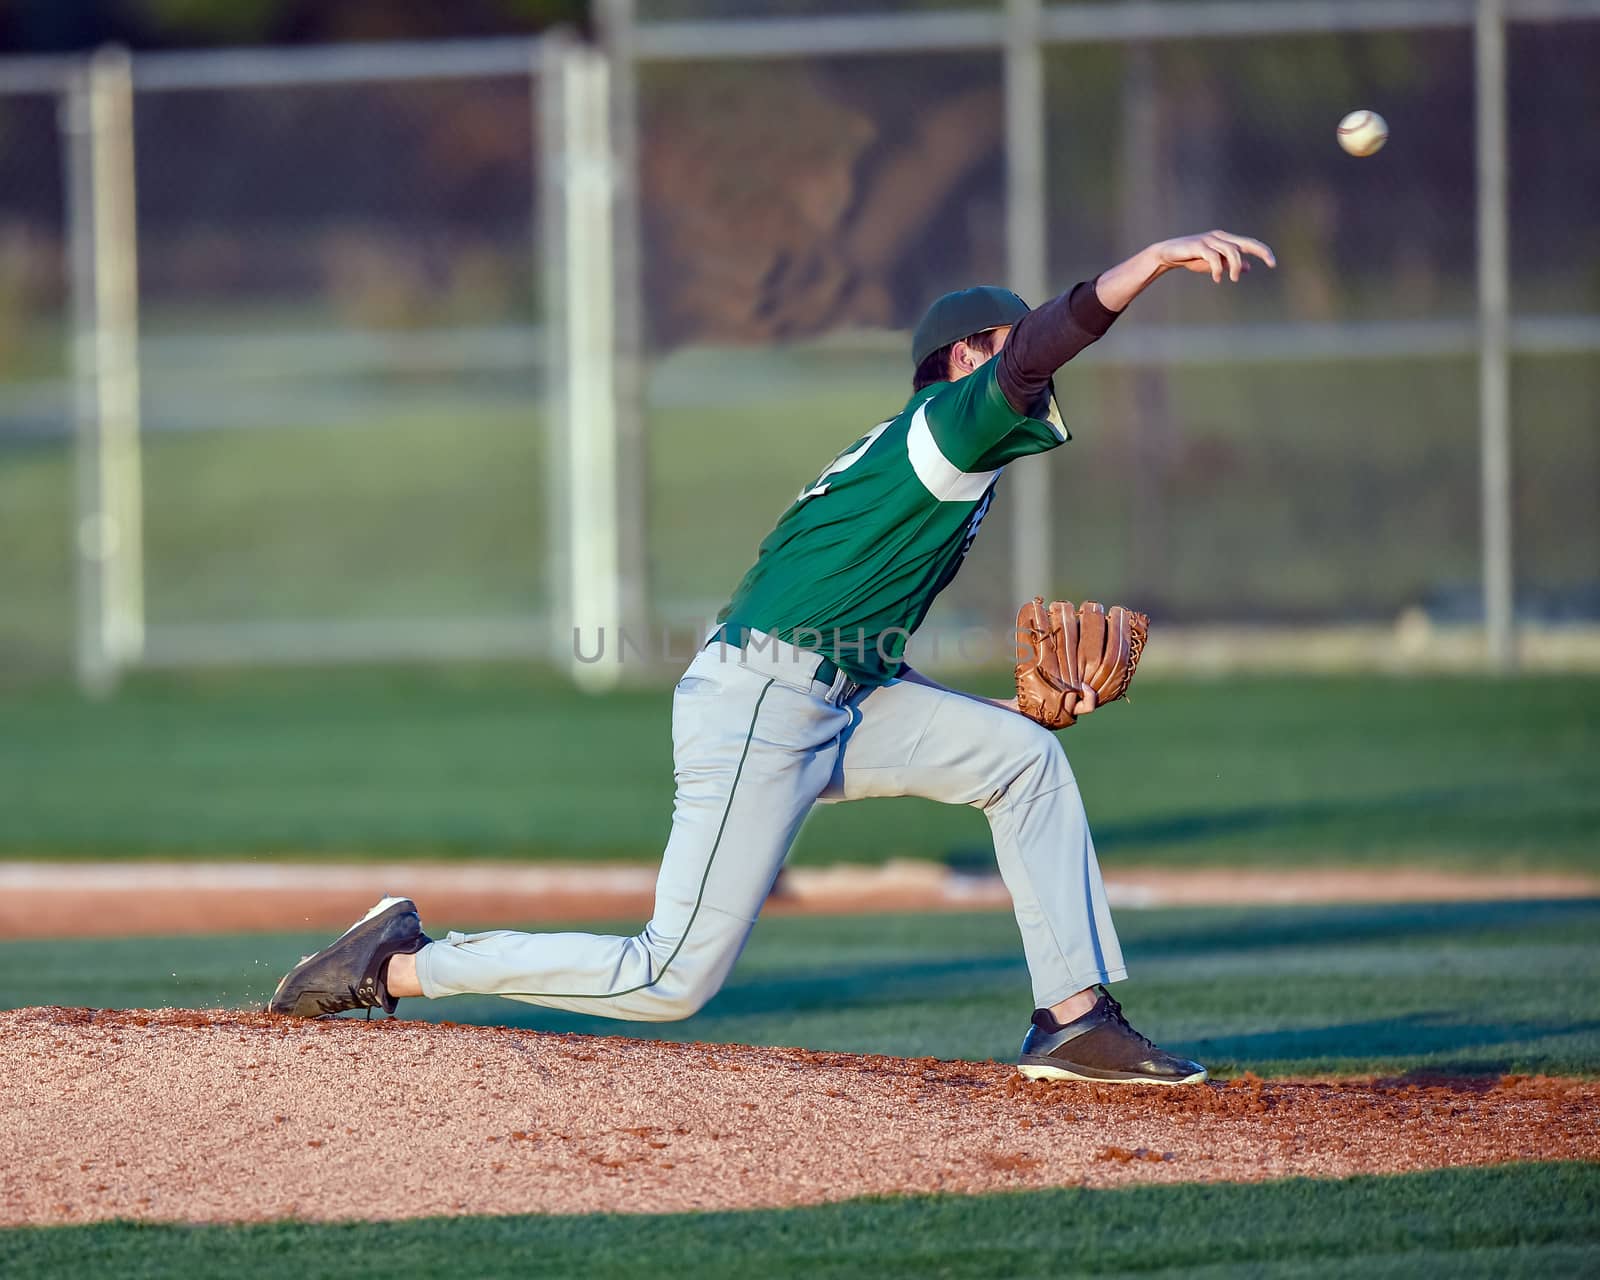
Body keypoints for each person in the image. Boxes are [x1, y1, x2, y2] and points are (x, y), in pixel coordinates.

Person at [271, 229, 1275, 1085]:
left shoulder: (939, 461)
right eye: (1005, 342)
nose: (1030, 361)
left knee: (1021, 757)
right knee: (670, 977)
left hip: (832, 692)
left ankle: (1074, 1018)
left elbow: (853, 635)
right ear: (963, 360)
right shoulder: (946, 428)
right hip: (760, 703)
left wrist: (982, 711)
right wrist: (1144, 264)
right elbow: (1036, 354)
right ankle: (402, 961)